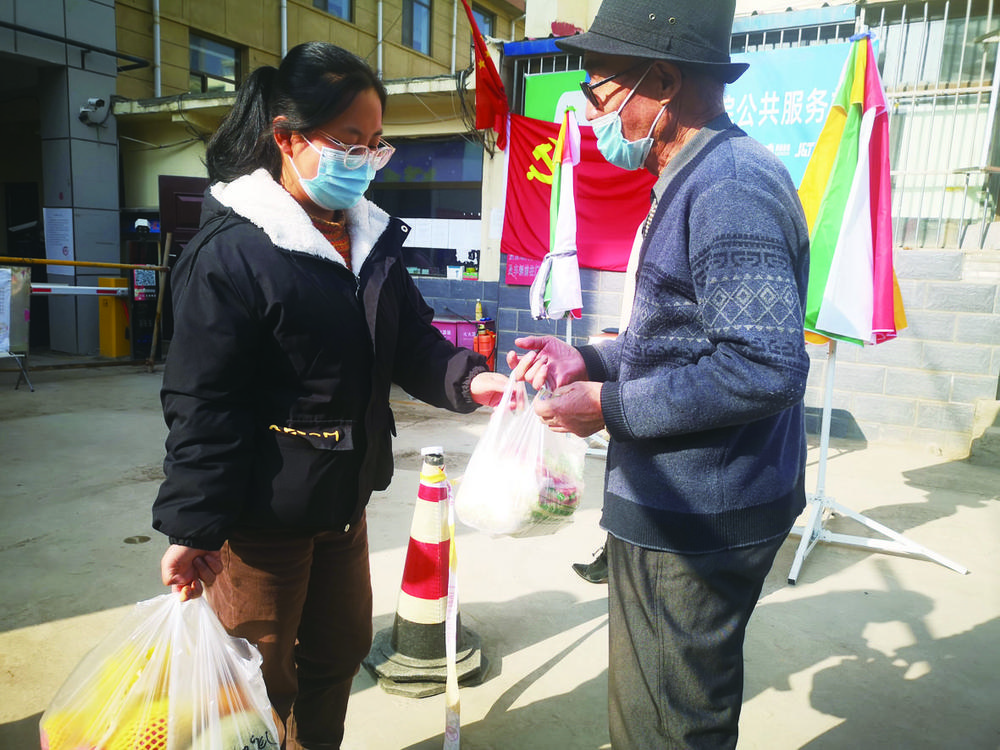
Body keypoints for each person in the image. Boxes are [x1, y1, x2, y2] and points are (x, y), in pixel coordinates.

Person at [152, 42, 507, 750]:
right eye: (349, 142)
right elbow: (203, 401)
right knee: (257, 677)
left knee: (337, 655)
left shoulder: (368, 239)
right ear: (287, 137)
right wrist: (194, 524)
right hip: (260, 520)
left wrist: (472, 379)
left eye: (375, 146)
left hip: (343, 507)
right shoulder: (234, 253)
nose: (365, 160)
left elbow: (413, 342)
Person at [509, 0, 811, 746]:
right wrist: (589, 358)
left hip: (702, 515)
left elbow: (763, 367)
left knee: (669, 724)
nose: (590, 111)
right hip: (677, 500)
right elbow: (677, 340)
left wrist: (608, 405)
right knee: (646, 709)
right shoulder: (692, 175)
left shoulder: (730, 188)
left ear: (665, 81)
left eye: (600, 93)